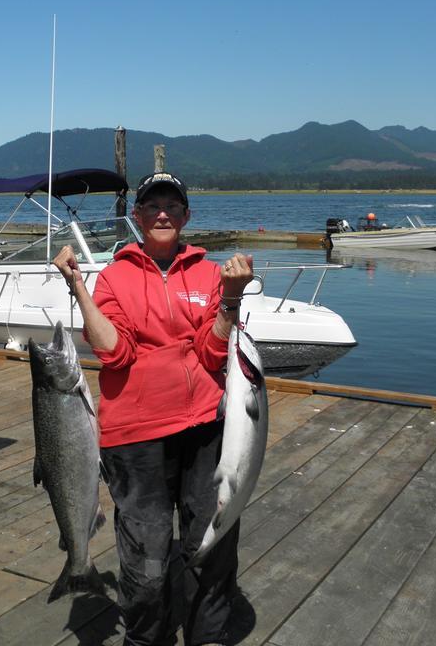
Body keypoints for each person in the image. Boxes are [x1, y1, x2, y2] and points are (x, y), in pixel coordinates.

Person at [53, 171, 253, 646]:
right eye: (152, 205)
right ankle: (146, 639)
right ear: (138, 216)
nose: (163, 213)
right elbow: (114, 353)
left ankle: (207, 636)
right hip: (134, 437)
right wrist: (79, 288)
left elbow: (211, 353)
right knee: (147, 558)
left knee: (212, 547)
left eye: (173, 205)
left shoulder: (209, 274)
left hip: (205, 429)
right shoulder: (115, 277)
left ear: (187, 216)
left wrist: (231, 298)